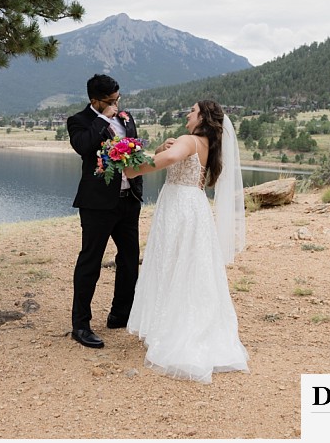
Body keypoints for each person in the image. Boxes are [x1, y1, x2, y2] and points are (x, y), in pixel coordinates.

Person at [124, 99, 249, 382]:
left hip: (178, 207)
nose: (188, 114)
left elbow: (168, 161)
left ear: (202, 117)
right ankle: (185, 322)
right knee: (192, 266)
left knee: (171, 262)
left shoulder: (189, 140)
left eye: (192, 111)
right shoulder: (206, 145)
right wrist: (156, 150)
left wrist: (132, 169)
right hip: (195, 206)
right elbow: (168, 155)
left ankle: (171, 329)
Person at [66, 74, 143, 349]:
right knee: (90, 261)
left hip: (128, 199)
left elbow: (134, 152)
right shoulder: (79, 121)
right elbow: (83, 146)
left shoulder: (126, 118)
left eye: (118, 99)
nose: (116, 104)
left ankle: (120, 315)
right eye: (110, 101)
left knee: (129, 259)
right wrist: (102, 119)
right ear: (94, 101)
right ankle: (81, 325)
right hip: (97, 204)